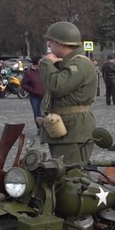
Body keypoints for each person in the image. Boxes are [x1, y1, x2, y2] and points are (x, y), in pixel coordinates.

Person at [40, 21, 98, 164]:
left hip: (74, 131)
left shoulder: (79, 64)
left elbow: (56, 86)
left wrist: (46, 64)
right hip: (65, 129)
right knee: (62, 176)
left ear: (61, 43)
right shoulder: (66, 63)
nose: (48, 45)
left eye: (51, 41)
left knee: (72, 177)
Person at [20, 55, 45, 128]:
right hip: (34, 96)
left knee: (43, 112)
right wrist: (33, 91)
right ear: (36, 63)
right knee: (37, 113)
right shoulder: (29, 73)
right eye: (41, 61)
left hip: (44, 95)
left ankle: (44, 128)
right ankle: (39, 128)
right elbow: (24, 84)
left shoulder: (43, 71)